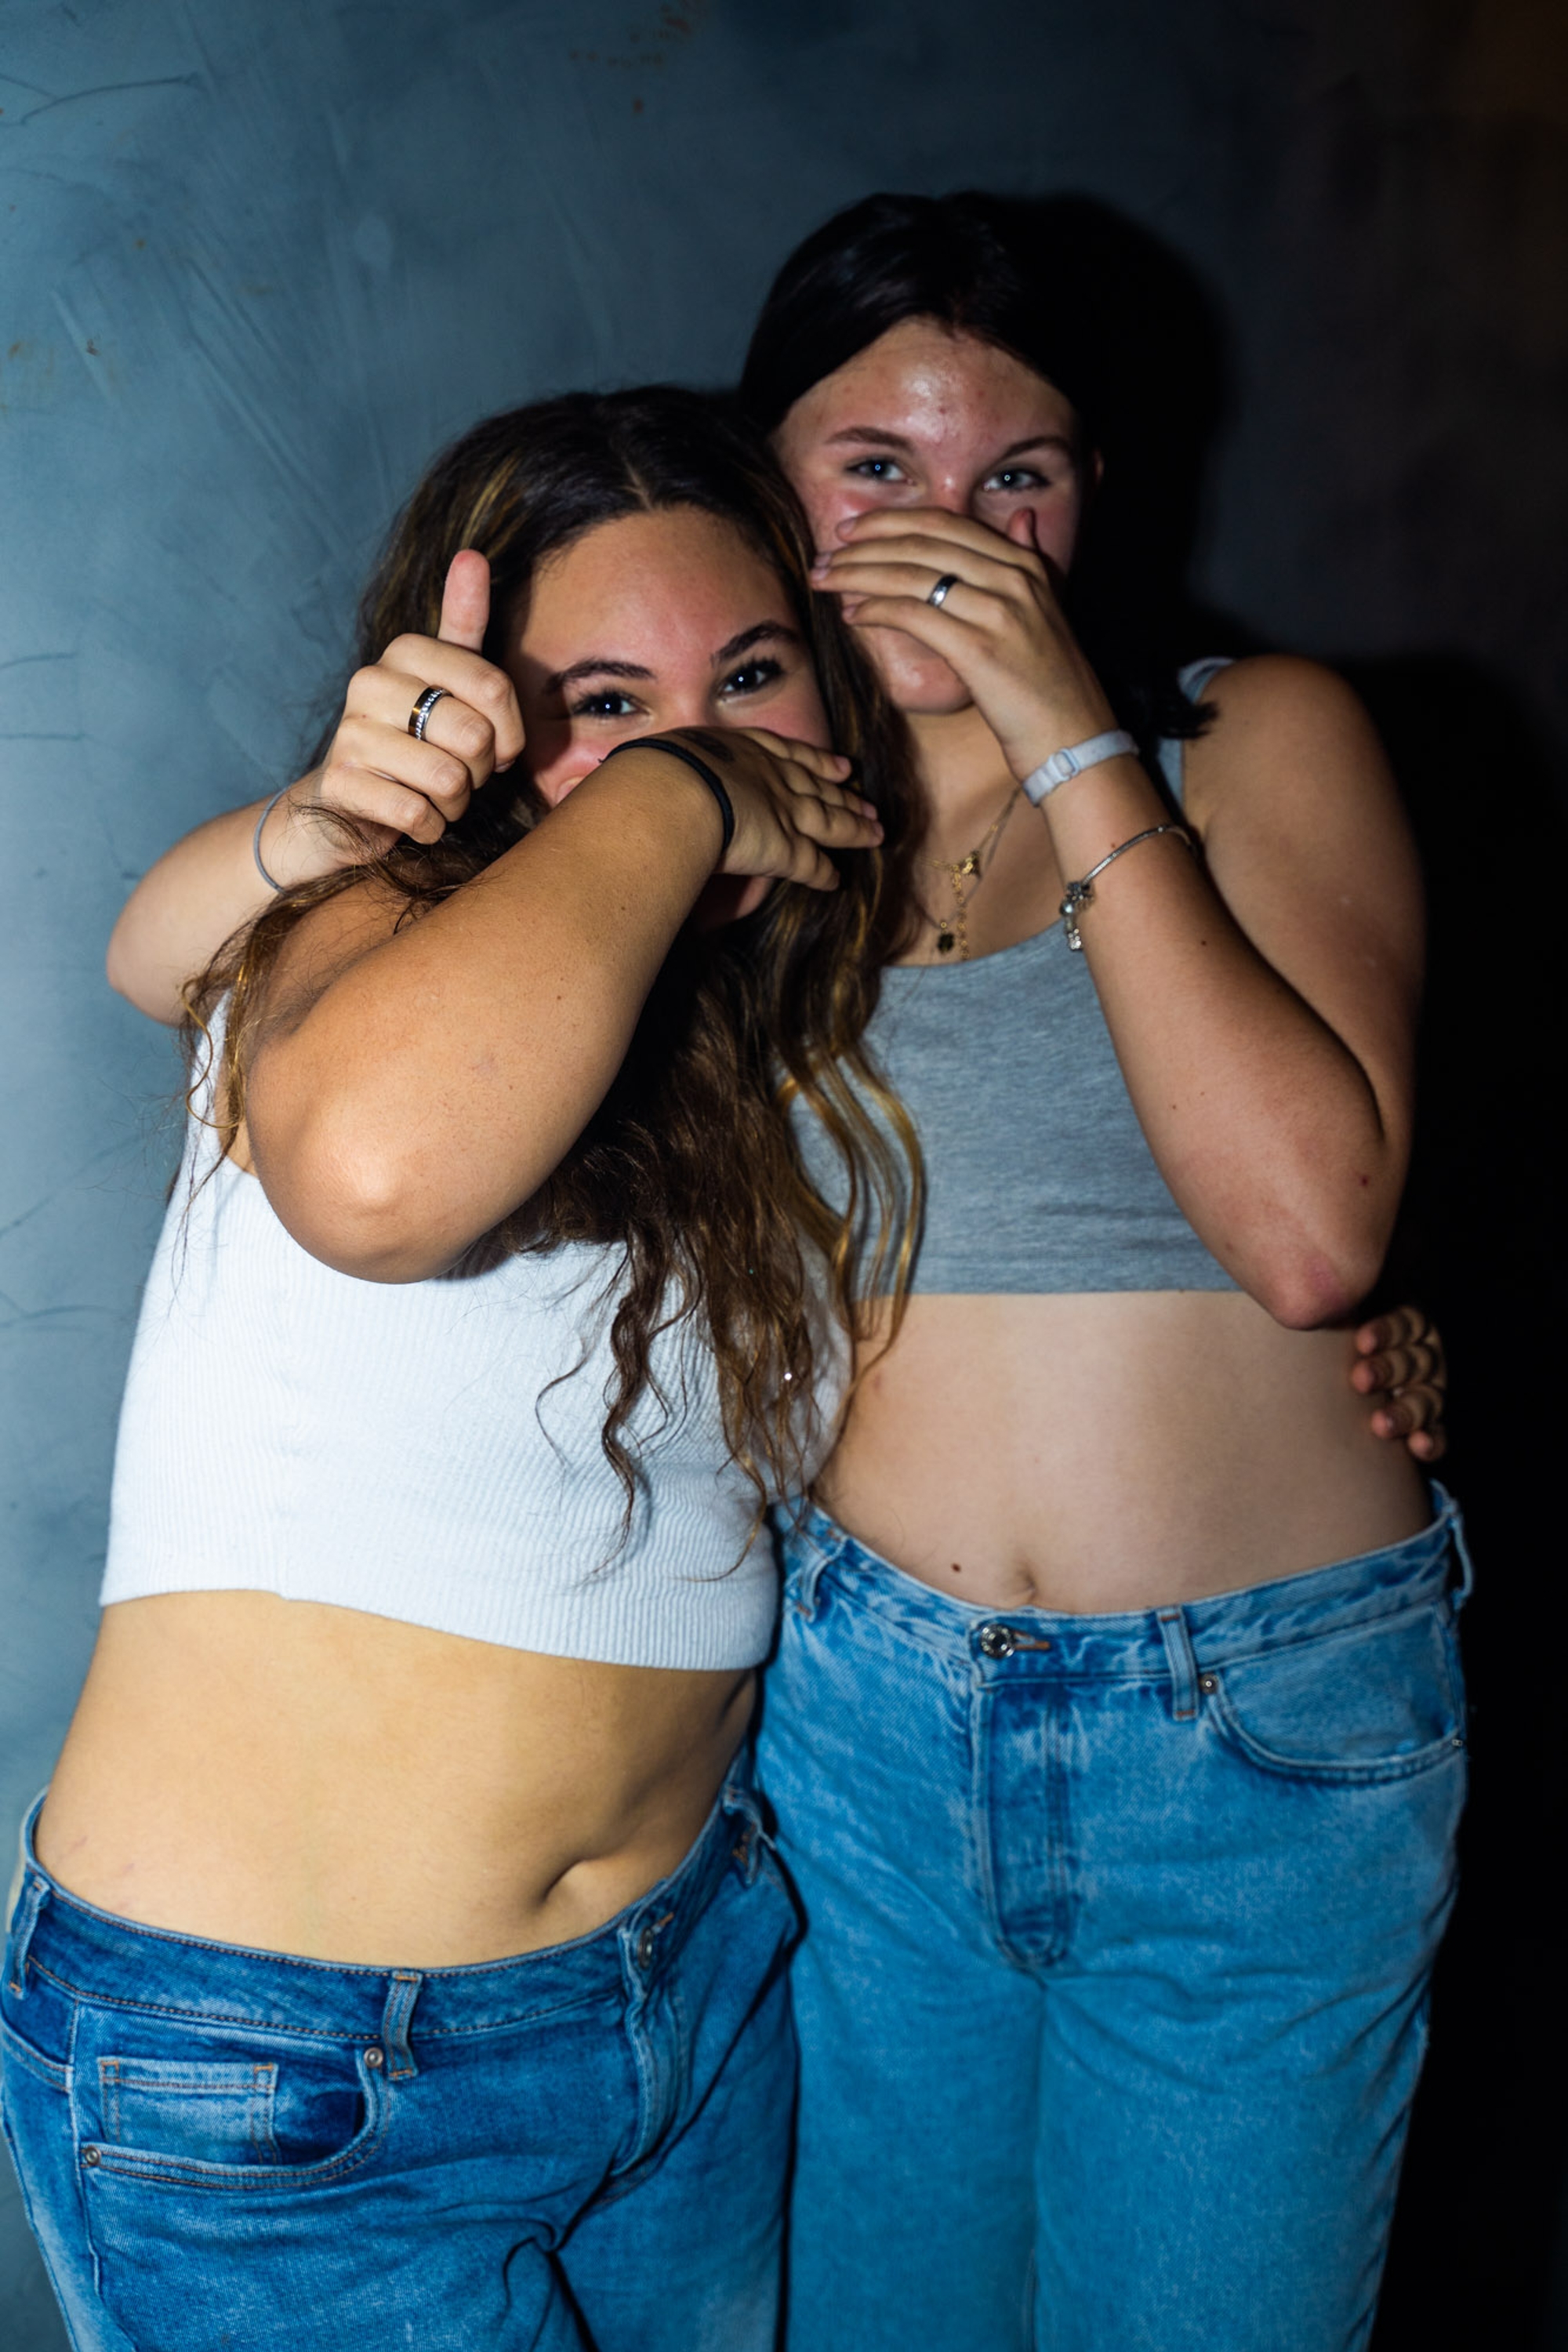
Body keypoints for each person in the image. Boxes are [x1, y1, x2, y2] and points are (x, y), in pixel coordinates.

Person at [94, 199, 1455, 2352]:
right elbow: (205, 994)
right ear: (776, 505)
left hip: (1186, 1757)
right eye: (878, 466)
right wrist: (362, 816)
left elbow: (1308, 1234)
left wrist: (1066, 733)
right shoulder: (660, 879)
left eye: (1019, 472)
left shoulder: (1176, 761)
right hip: (846, 1740)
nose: (955, 528)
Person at [0, 387, 906, 2352]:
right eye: (606, 701)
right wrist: (684, 791)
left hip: (687, 1994)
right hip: (295, 2073)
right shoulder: (366, 923)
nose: (708, 739)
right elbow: (375, 1175)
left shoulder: (765, 1051)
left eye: (752, 676)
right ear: (479, 726)